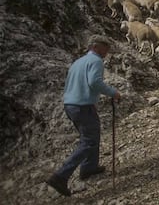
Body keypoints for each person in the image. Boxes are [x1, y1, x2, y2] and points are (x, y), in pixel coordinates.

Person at [46, 35, 121, 197]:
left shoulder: (78, 62)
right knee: (89, 141)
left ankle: (89, 167)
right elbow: (94, 82)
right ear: (96, 47)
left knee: (91, 135)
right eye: (105, 47)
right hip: (82, 106)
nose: (107, 51)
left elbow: (71, 83)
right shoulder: (96, 61)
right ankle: (60, 176)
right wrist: (113, 93)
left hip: (71, 105)